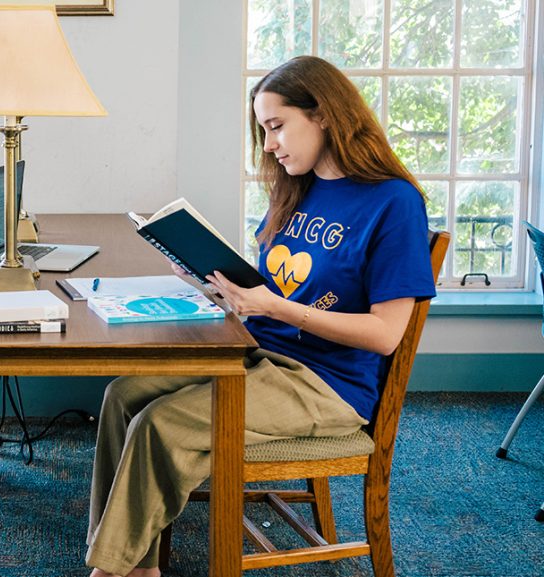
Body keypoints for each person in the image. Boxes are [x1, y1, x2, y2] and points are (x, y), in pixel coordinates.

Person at [84, 55, 437, 577]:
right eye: (264, 130)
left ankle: (114, 569)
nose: (269, 145)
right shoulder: (299, 188)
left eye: (276, 126)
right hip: (256, 350)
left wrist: (273, 306)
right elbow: (274, 288)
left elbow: (386, 335)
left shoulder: (393, 203)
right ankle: (136, 563)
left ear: (323, 115)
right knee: (122, 395)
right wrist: (215, 282)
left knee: (162, 424)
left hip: (327, 382)